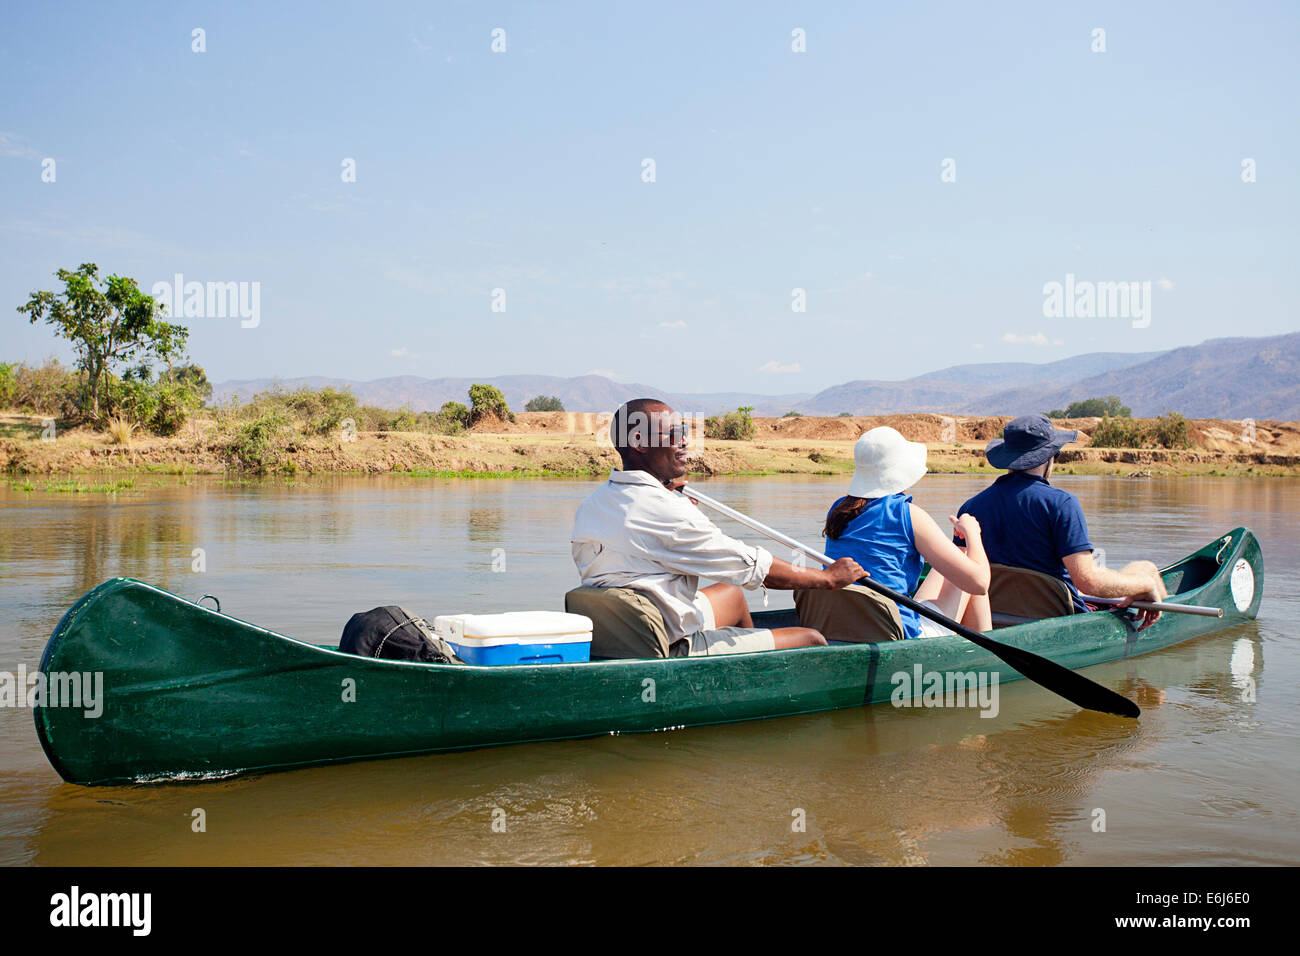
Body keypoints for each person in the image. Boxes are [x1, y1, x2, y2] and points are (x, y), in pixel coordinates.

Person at [571, 399, 867, 656]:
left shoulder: (595, 503)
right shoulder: (667, 511)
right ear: (639, 442)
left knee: (732, 595)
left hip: (623, 631)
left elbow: (651, 542)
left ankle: (748, 672)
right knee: (810, 639)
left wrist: (667, 496)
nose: (684, 441)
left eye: (684, 432)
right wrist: (827, 578)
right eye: (674, 434)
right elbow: (749, 567)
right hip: (669, 643)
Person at [956, 414, 1168, 626]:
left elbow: (960, 576)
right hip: (1058, 619)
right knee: (1146, 568)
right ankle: (1162, 627)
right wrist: (1145, 585)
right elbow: (1088, 582)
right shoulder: (1061, 504)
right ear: (1049, 457)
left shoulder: (969, 508)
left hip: (991, 620)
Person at [823, 427, 991, 639]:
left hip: (850, 626)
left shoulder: (839, 510)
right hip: (896, 633)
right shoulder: (906, 514)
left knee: (958, 554)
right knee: (971, 565)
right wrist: (973, 533)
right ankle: (987, 657)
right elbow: (979, 583)